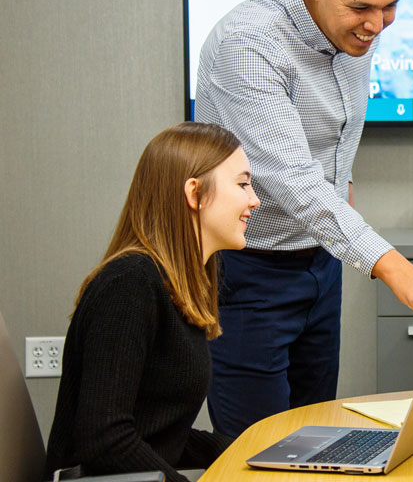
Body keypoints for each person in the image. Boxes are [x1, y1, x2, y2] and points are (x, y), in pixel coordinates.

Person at [195, 0, 413, 438]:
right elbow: (294, 181)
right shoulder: (250, 43)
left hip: (319, 264)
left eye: (389, 6)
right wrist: (395, 267)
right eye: (361, 8)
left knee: (311, 435)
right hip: (246, 273)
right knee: (256, 446)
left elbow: (333, 146)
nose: (376, 24)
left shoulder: (354, 36)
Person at [44, 122, 260, 481]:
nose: (253, 199)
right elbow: (104, 440)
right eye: (242, 184)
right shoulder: (130, 284)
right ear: (195, 193)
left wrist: (251, 449)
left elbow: (161, 435)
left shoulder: (175, 283)